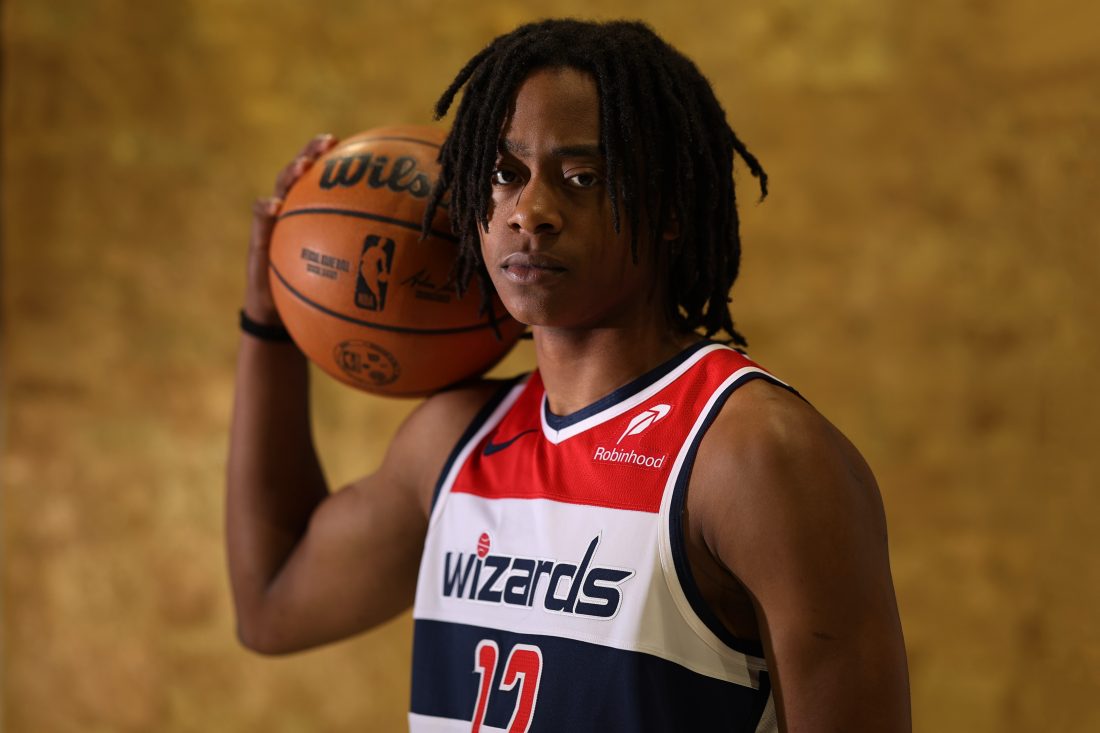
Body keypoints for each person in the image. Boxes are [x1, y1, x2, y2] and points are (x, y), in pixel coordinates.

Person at [228, 19, 911, 732]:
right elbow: (270, 603)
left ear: (671, 209)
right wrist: (268, 316)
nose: (531, 211)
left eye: (582, 178)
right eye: (504, 173)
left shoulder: (753, 457)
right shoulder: (452, 443)